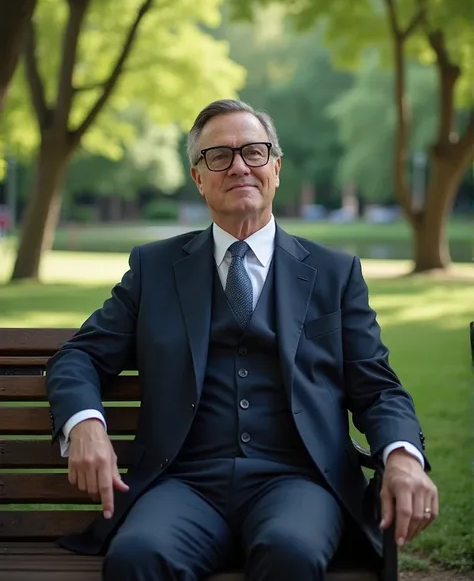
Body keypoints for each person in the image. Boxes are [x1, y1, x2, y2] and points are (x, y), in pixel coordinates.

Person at [46, 99, 438, 581]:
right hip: (184, 484)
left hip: (297, 482)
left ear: (275, 167)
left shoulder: (335, 274)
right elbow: (80, 355)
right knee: (137, 558)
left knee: (289, 553)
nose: (238, 167)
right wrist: (85, 424)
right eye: (218, 156)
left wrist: (401, 457)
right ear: (198, 177)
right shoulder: (154, 269)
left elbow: (378, 388)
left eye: (253, 152)